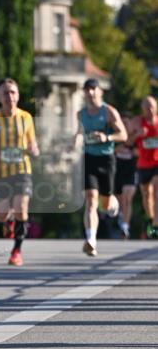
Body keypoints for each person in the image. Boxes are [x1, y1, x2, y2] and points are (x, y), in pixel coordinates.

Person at [0, 79, 40, 267]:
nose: (9, 96)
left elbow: (32, 143)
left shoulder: (26, 118)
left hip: (22, 170)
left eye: (13, 92)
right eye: (5, 93)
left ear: (18, 96)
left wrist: (34, 150)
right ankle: (8, 221)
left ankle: (16, 251)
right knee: (1, 215)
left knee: (21, 208)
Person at [74, 78, 126, 256]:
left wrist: (107, 137)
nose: (90, 92)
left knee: (106, 203)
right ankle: (91, 240)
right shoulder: (80, 114)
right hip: (89, 158)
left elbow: (123, 134)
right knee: (90, 200)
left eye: (93, 89)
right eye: (87, 89)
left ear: (100, 91)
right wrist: (76, 142)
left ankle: (113, 204)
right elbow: (80, 133)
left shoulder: (109, 111)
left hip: (106, 159)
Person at [129, 95, 158, 239]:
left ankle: (156, 225)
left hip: (157, 163)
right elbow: (127, 142)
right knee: (147, 195)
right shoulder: (137, 123)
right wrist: (137, 135)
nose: (150, 110)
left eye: (152, 106)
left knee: (156, 189)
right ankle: (152, 219)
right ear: (143, 109)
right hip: (143, 164)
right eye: (147, 107)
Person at [114, 113, 139, 239]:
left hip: (131, 173)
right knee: (120, 202)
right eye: (122, 122)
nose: (124, 125)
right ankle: (121, 216)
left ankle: (125, 226)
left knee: (127, 198)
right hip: (117, 174)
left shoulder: (137, 139)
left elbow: (138, 152)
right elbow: (114, 150)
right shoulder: (116, 136)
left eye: (127, 123)